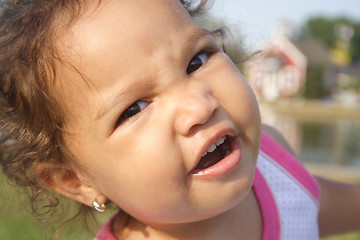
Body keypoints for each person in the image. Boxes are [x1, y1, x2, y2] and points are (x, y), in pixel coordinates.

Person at [0, 0, 359, 239]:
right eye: (134, 109)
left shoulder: (274, 164)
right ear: (74, 180)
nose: (198, 108)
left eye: (197, 61)